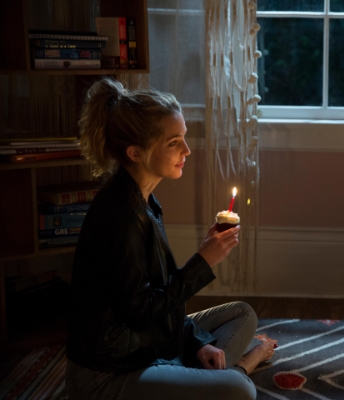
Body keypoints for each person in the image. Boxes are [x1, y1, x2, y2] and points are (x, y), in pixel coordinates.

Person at [65, 78, 276, 400]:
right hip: (110, 373)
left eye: (184, 139)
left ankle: (194, 374)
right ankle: (241, 368)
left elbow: (158, 294)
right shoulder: (119, 215)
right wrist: (202, 262)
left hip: (144, 343)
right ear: (137, 152)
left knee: (242, 313)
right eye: (174, 142)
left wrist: (196, 341)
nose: (187, 151)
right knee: (239, 391)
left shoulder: (144, 201)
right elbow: (139, 312)